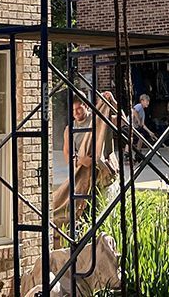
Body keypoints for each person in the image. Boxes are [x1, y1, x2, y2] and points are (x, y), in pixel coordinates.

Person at [51, 93, 117, 243]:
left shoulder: (99, 120)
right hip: (82, 176)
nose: (76, 113)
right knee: (75, 211)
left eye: (79, 109)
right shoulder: (70, 129)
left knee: (101, 213)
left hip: (102, 176)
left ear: (86, 105)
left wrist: (111, 101)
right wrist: (81, 160)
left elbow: (124, 121)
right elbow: (67, 155)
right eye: (73, 111)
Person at [130, 92, 153, 160]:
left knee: (141, 137)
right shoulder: (139, 106)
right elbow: (134, 111)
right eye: (146, 101)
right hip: (129, 124)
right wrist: (138, 120)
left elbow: (142, 124)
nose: (147, 103)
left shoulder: (143, 113)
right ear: (142, 101)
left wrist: (150, 132)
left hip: (134, 127)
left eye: (148, 101)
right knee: (130, 138)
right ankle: (127, 153)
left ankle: (138, 152)